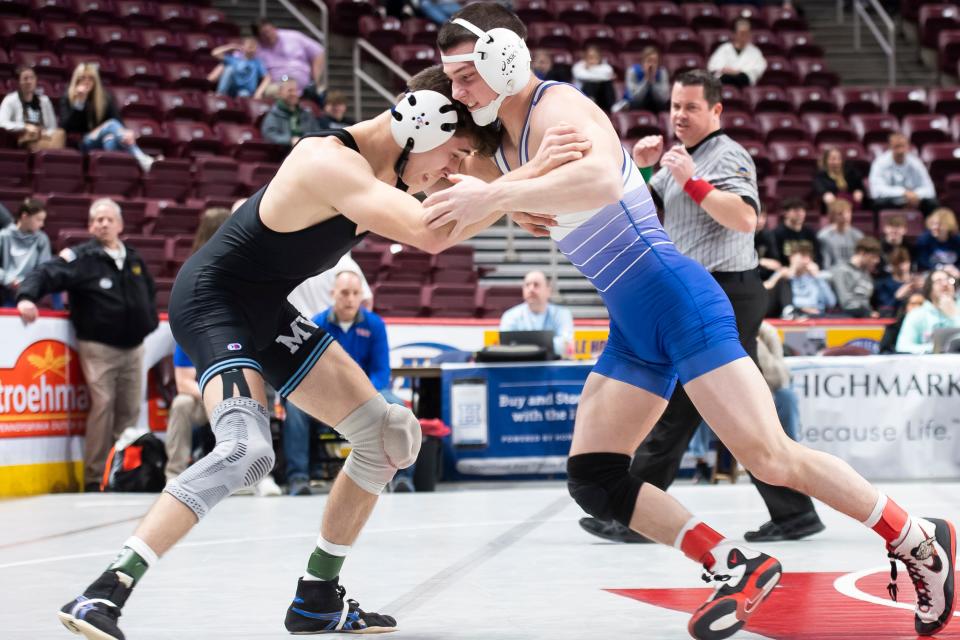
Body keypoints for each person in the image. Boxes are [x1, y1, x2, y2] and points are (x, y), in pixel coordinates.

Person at [432, 7, 953, 637]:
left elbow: (598, 176)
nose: (459, 93)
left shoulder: (554, 106)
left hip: (676, 296)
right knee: (595, 479)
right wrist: (517, 194)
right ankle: (732, 563)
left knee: (770, 456)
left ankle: (919, 539)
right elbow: (531, 194)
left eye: (465, 76)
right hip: (631, 320)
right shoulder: (510, 141)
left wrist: (500, 195)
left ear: (502, 57)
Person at [55, 65, 581, 639]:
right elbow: (432, 234)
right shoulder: (326, 161)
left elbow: (479, 180)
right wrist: (519, 189)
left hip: (265, 308)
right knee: (244, 450)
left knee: (390, 437)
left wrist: (515, 188)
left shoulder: (412, 155)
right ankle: (104, 589)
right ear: (419, 124)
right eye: (451, 158)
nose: (452, 174)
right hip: (212, 301)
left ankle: (317, 599)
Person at [592, 69, 823, 547]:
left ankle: (632, 509)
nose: (679, 115)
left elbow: (744, 218)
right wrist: (642, 170)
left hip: (729, 291)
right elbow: (648, 213)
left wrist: (692, 181)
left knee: (692, 405)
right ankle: (792, 511)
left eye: (691, 107)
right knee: (718, 406)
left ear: (716, 111)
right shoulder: (681, 159)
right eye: (676, 105)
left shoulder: (726, 155)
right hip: (698, 293)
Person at [16, 198, 158, 492]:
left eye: (108, 219)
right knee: (103, 406)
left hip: (134, 347)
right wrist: (27, 296)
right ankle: (95, 478)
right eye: (97, 219)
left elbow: (150, 292)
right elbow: (45, 272)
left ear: (120, 224)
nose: (103, 223)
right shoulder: (82, 258)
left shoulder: (133, 258)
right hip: (98, 347)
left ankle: (124, 473)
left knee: (130, 413)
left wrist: (150, 322)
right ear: (90, 226)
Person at [284, 271, 396, 496]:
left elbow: (381, 371)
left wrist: (364, 396)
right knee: (294, 408)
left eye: (356, 293)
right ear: (333, 294)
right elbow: (311, 373)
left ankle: (402, 478)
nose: (351, 299)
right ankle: (298, 478)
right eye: (345, 293)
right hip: (328, 397)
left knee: (397, 407)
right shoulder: (316, 324)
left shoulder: (375, 325)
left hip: (367, 394)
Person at [164, 207, 231, 480]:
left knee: (250, 399)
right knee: (180, 403)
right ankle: (174, 475)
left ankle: (255, 474)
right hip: (207, 395)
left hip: (234, 388)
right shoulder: (193, 324)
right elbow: (183, 382)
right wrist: (216, 394)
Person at [59, 63, 155, 172]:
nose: (87, 81)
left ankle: (114, 174)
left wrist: (126, 133)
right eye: (83, 78)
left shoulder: (104, 97)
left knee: (110, 139)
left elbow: (118, 119)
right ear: (76, 80)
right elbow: (65, 127)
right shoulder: (67, 97)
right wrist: (79, 102)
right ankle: (141, 158)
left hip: (101, 140)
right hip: (81, 144)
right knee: (112, 125)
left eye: (91, 78)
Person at [499, 269, 574, 358]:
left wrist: (525, 346)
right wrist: (545, 345)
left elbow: (565, 345)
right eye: (527, 285)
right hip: (519, 368)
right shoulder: (510, 316)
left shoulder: (562, 314)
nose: (531, 289)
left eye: (536, 285)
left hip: (553, 368)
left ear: (548, 291)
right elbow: (506, 347)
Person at [253, 18, 326, 104]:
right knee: (281, 89)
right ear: (258, 36)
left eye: (269, 31)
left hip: (305, 86)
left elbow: (318, 52)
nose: (268, 35)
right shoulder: (256, 48)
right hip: (277, 86)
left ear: (274, 28)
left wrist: (315, 78)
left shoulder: (293, 36)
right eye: (264, 33)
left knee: (322, 94)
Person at [869, 132, 938, 217]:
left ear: (908, 147)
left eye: (903, 146)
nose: (900, 150)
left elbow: (930, 189)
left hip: (914, 199)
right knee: (877, 203)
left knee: (932, 203)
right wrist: (903, 193)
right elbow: (877, 191)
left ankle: (928, 229)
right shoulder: (879, 163)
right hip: (892, 200)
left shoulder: (916, 163)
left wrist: (915, 194)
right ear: (890, 147)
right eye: (897, 146)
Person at [287, 252, 373, 318]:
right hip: (332, 332)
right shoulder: (344, 262)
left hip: (299, 330)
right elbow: (366, 301)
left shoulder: (290, 262)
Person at [0, 198, 52, 307]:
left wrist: (29, 284)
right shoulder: (4, 236)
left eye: (43, 220)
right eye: (38, 219)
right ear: (25, 216)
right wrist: (9, 280)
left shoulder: (42, 239)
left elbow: (44, 268)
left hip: (31, 290)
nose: (42, 224)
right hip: (5, 289)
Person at [765, 240, 836, 318]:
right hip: (794, 316)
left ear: (809, 258)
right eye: (791, 256)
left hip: (816, 316)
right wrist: (779, 276)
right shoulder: (784, 275)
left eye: (801, 256)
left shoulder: (818, 277)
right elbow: (765, 294)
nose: (793, 259)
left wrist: (817, 277)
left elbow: (831, 303)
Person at [0, 65, 65, 150]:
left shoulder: (44, 101)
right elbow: (2, 122)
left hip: (43, 136)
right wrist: (25, 127)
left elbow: (52, 126)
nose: (29, 81)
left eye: (32, 78)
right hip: (24, 136)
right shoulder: (10, 100)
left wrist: (45, 133)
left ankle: (47, 153)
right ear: (19, 82)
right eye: (25, 79)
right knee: (30, 137)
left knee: (61, 133)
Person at [895, 268, 960, 354]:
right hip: (929, 365)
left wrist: (954, 316)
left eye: (949, 280)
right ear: (929, 289)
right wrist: (934, 349)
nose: (945, 284)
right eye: (938, 281)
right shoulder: (917, 314)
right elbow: (902, 346)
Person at [830, 236, 882, 318]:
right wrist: (866, 312)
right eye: (873, 257)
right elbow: (846, 303)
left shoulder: (866, 273)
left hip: (866, 318)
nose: (877, 261)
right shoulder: (842, 271)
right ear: (862, 253)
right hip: (847, 321)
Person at [707, 18, 767, 88]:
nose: (744, 35)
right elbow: (713, 67)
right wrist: (726, 70)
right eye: (741, 33)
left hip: (743, 82)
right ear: (735, 33)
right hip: (724, 80)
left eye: (746, 33)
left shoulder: (755, 51)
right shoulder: (724, 49)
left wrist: (738, 72)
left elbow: (757, 70)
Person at [261, 78, 319, 148]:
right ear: (280, 93)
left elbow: (317, 133)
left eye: (295, 90)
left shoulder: (306, 114)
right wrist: (290, 140)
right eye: (290, 90)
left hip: (308, 150)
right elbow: (270, 136)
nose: (294, 94)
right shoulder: (273, 114)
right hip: (284, 153)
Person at [812, 146, 866, 214]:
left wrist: (858, 191)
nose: (836, 162)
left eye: (839, 159)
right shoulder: (820, 175)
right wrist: (825, 194)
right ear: (826, 161)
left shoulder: (850, 171)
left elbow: (859, 185)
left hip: (851, 201)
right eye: (833, 159)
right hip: (833, 204)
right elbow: (819, 188)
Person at [874, 247, 922, 317]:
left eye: (905, 262)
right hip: (895, 319)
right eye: (898, 263)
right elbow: (884, 311)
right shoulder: (884, 285)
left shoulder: (916, 282)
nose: (902, 267)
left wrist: (922, 289)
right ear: (892, 265)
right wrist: (897, 296)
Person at [772, 197, 822, 265]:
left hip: (809, 270)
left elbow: (818, 256)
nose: (800, 214)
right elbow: (776, 259)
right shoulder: (776, 234)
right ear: (786, 213)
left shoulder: (810, 232)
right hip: (788, 271)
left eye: (803, 210)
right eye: (796, 211)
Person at [621, 46, 670, 114]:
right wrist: (646, 79)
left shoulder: (662, 72)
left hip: (657, 107)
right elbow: (634, 98)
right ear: (642, 62)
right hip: (637, 105)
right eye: (649, 61)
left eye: (655, 62)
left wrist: (652, 81)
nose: (651, 65)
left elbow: (664, 98)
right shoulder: (632, 71)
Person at [818, 199, 864, 270]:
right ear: (833, 216)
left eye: (848, 212)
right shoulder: (824, 236)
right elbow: (826, 264)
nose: (845, 216)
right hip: (834, 273)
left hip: (853, 272)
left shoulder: (858, 235)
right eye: (840, 213)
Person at [572, 45, 617, 113]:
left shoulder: (606, 67)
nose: (593, 60)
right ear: (585, 57)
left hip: (601, 99)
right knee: (590, 83)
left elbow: (608, 73)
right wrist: (602, 76)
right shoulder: (578, 66)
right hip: (582, 98)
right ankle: (590, 104)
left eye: (595, 57)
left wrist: (590, 70)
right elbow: (580, 75)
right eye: (590, 57)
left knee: (607, 83)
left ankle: (612, 107)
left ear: (600, 58)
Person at [915, 207, 960, 272]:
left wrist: (955, 269)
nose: (934, 227)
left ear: (948, 225)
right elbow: (923, 262)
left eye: (938, 224)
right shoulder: (924, 239)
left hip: (953, 273)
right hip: (931, 273)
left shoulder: (957, 240)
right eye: (932, 223)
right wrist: (941, 268)